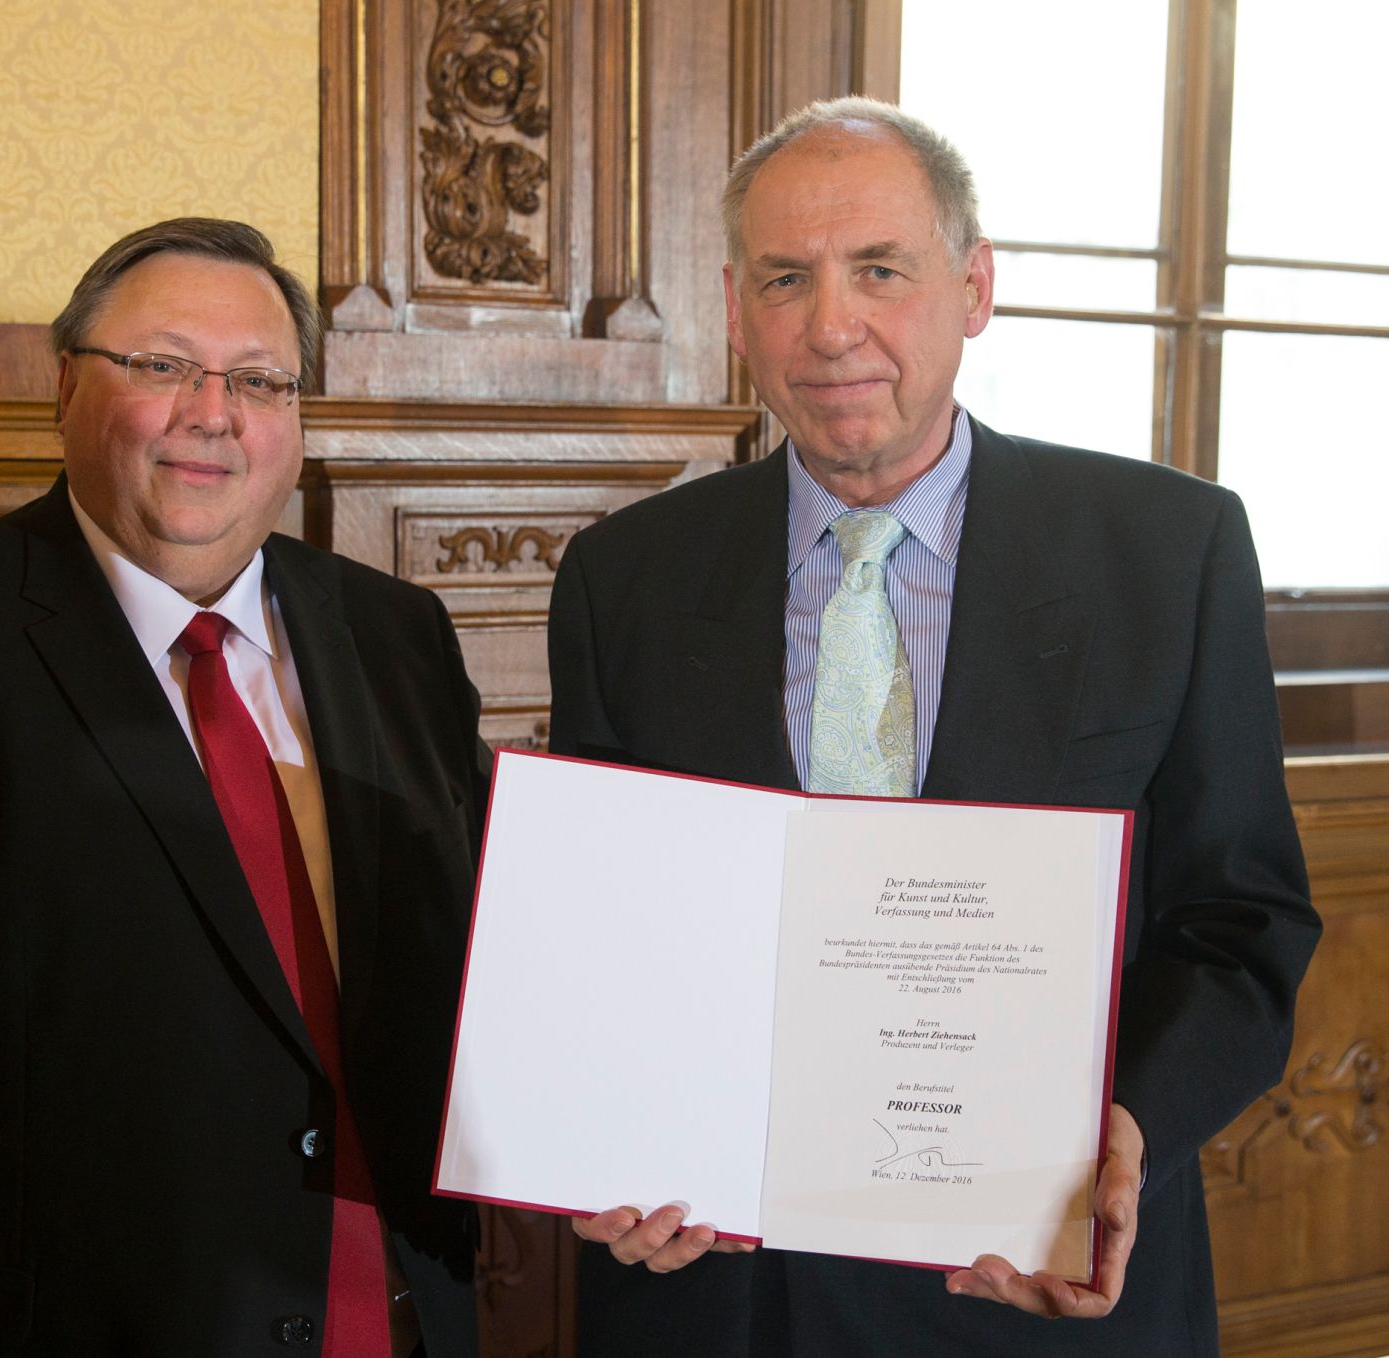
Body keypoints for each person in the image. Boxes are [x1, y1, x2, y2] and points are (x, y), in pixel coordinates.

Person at [548, 98, 1320, 1357]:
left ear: (971, 288)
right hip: (719, 1292)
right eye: (785, 279)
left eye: (879, 270)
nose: (830, 325)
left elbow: (1240, 921)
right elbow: (598, 936)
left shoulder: (1164, 551)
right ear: (737, 309)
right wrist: (601, 1141)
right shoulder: (621, 578)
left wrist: (1125, 1127)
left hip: (1038, 1279)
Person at [0, 218, 485, 1357]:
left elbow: (484, 969)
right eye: (163, 365)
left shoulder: (398, 634)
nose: (212, 412)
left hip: (401, 1318)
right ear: (65, 384)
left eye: (259, 379)